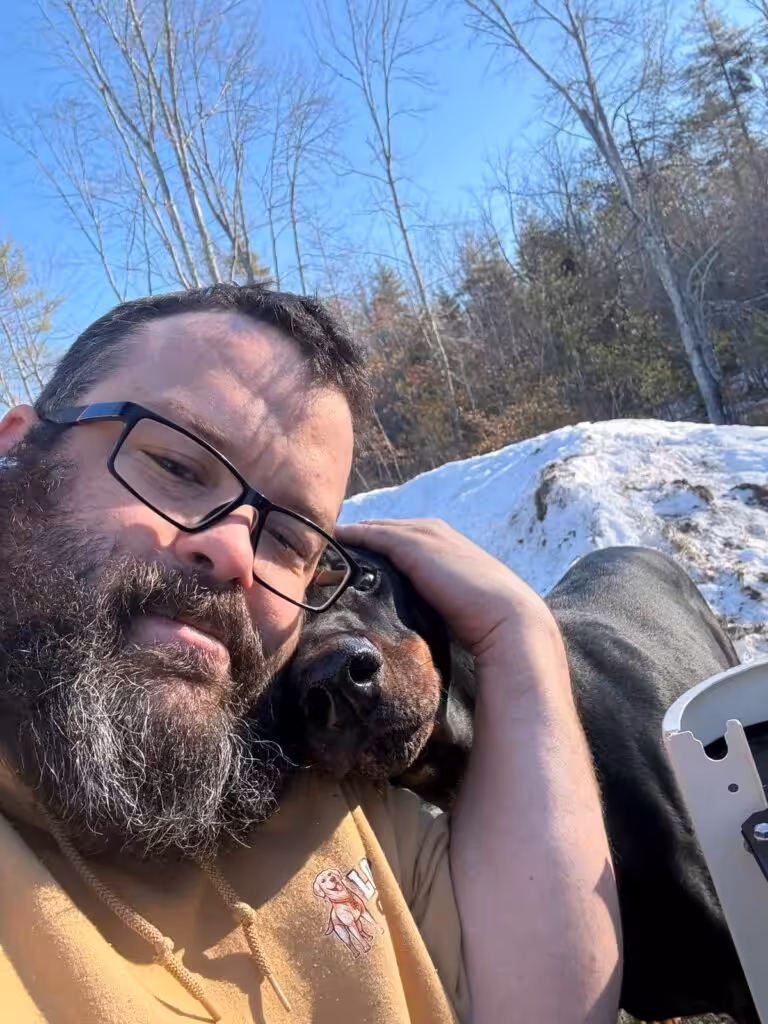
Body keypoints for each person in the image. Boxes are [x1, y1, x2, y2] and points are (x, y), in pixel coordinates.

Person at [0, 283, 620, 1024]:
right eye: (176, 464)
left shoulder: (322, 792)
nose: (233, 549)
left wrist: (518, 635)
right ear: (19, 449)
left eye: (289, 537)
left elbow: (553, 1007)